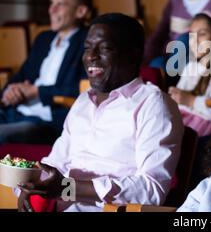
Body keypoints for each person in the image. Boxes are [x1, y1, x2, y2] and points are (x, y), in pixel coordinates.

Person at [17, 13, 184, 212]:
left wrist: (68, 187)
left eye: (104, 48)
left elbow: (152, 190)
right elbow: (55, 165)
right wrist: (30, 186)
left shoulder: (153, 105)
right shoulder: (83, 102)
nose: (90, 56)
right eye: (87, 48)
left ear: (133, 54)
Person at [0, 0, 89, 144]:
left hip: (46, 121)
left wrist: (37, 91)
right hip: (15, 110)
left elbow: (83, 90)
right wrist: (10, 92)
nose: (51, 10)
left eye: (60, 4)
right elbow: (22, 75)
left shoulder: (88, 43)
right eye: (51, 3)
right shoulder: (44, 38)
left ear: (80, 11)